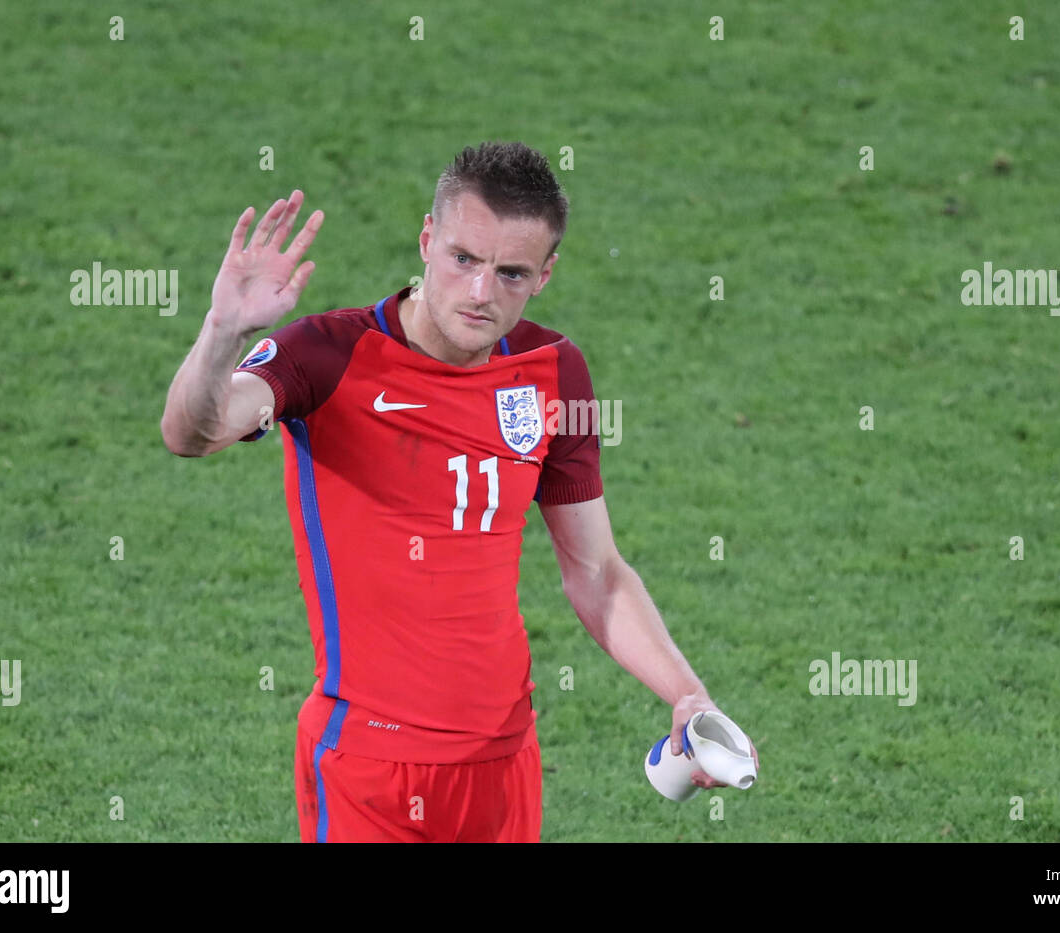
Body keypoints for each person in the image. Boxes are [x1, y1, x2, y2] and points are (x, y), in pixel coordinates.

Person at [160, 141, 758, 842]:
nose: (480, 292)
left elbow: (596, 571)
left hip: (503, 763)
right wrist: (222, 332)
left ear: (544, 275)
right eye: (463, 259)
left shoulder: (554, 371)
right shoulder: (325, 354)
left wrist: (687, 694)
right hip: (370, 768)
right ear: (425, 240)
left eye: (510, 273)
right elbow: (191, 431)